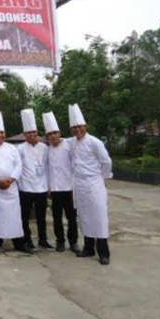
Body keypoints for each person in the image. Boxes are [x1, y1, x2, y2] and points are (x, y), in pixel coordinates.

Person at [69, 104, 113, 265]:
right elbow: (58, 141)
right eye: (74, 127)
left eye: (80, 127)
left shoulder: (95, 142)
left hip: (94, 183)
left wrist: (103, 178)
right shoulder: (71, 142)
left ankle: (104, 253)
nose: (77, 130)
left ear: (85, 126)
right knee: (84, 217)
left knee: (99, 218)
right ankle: (88, 248)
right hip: (79, 185)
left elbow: (106, 162)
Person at [0, 112, 32, 255]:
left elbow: (19, 165)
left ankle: (18, 243)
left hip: (11, 188)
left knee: (15, 217)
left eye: (1, 132)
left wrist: (10, 179)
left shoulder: (12, 148)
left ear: (4, 134)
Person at [43, 112, 80, 254]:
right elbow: (47, 170)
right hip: (55, 189)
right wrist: (49, 189)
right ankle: (60, 241)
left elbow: (76, 166)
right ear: (47, 137)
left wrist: (74, 185)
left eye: (55, 133)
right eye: (50, 134)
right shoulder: (48, 150)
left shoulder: (69, 145)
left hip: (70, 189)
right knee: (56, 218)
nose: (53, 136)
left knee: (71, 218)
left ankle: (73, 242)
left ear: (59, 133)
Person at [17, 108, 52, 250]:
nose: (32, 135)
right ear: (25, 134)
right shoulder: (19, 148)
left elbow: (48, 167)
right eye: (29, 133)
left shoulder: (44, 147)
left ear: (37, 133)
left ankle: (43, 239)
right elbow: (17, 168)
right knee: (24, 217)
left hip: (41, 187)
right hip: (25, 187)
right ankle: (27, 240)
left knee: (41, 217)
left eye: (34, 132)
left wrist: (49, 186)